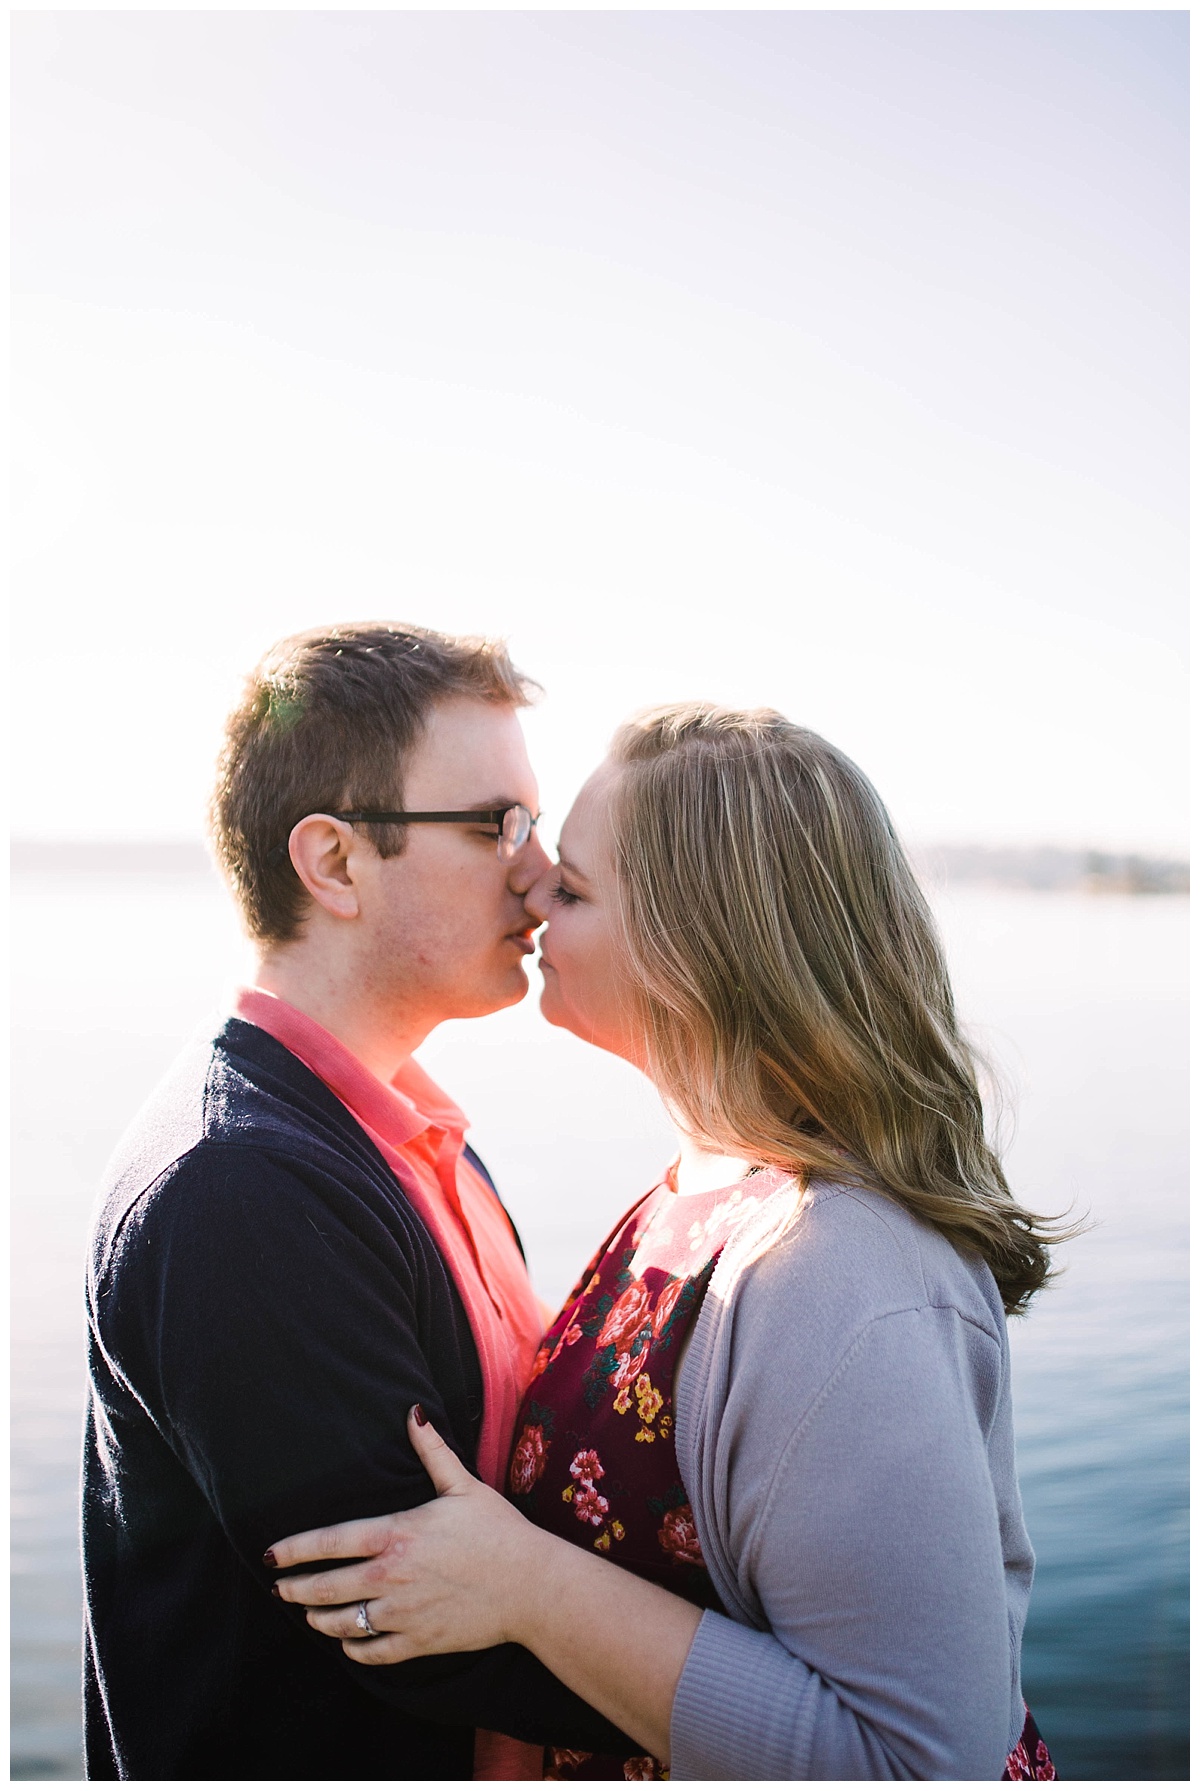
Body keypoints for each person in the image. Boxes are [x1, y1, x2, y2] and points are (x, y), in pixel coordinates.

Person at [268, 702, 1063, 1781]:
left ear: (699, 947)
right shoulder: (700, 1189)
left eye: (579, 889)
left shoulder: (844, 1269)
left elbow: (915, 1764)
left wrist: (527, 1586)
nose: (535, 884)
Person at [82, 622, 637, 1779]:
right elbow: (417, 1635)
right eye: (497, 826)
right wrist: (816, 1692)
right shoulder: (237, 1193)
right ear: (334, 863)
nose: (539, 870)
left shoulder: (415, 1140)